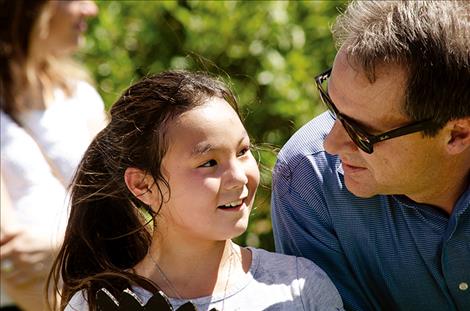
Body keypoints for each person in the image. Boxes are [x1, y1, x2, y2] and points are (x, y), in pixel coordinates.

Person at [48, 71, 344, 311]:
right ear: (143, 185)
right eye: (209, 162)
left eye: (242, 151)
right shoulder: (96, 305)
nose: (238, 177)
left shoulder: (300, 287)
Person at [271, 1, 470, 310]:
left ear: (457, 135)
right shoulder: (306, 177)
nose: (332, 144)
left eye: (362, 132)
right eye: (333, 108)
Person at [0, 1, 106, 310]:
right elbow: (12, 258)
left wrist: (57, 245)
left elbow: (126, 206)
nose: (91, 9)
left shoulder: (81, 97)